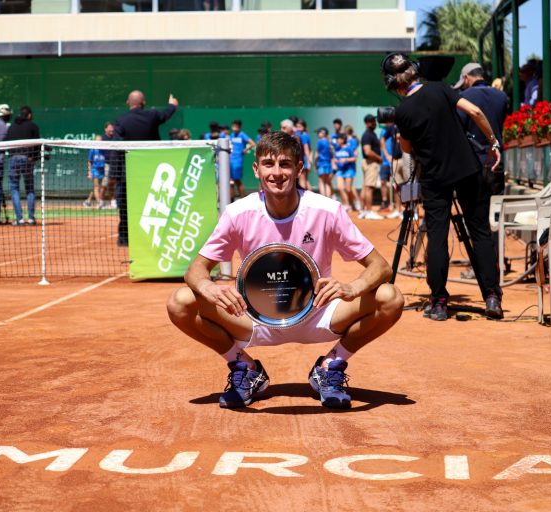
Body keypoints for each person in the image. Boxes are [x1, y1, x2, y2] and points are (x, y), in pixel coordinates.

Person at [166, 131, 404, 409]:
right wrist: (208, 287)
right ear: (256, 169)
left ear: (299, 168)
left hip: (318, 314)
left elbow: (380, 267)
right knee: (180, 302)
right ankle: (244, 367)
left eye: (285, 164)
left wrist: (352, 288)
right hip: (253, 319)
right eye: (268, 163)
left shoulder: (326, 210)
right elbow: (196, 269)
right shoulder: (238, 213)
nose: (276, 172)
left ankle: (331, 366)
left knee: (390, 297)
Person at [383, 52, 504, 321]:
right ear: (414, 71)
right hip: (467, 169)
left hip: (435, 179)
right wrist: (493, 143)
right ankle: (492, 297)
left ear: (392, 83)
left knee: (437, 236)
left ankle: (438, 302)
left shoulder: (402, 112)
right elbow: (473, 111)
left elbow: (405, 148)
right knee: (480, 232)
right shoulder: (440, 88)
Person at [112, 90, 178, 246]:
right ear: (143, 103)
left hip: (128, 173)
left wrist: (116, 172)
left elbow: (116, 147)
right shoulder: (152, 115)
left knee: (125, 206)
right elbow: (165, 115)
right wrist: (172, 105)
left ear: (128, 103)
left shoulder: (120, 121)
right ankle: (150, 237)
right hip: (150, 171)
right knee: (151, 204)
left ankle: (124, 238)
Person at [454, 62, 509, 186]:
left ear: (466, 78)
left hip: (473, 162)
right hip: (497, 158)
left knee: (475, 204)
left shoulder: (463, 97)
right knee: (496, 202)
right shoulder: (502, 96)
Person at [4, 105, 40, 226]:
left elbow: (7, 143)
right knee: (29, 188)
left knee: (14, 189)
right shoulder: (32, 125)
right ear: (29, 115)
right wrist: (34, 157)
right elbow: (37, 145)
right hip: (27, 159)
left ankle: (19, 219)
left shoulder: (11, 127)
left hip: (14, 159)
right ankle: (30, 218)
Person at [359, 114, 383, 220]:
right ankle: (369, 211)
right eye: (371, 121)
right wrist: (379, 158)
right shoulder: (368, 135)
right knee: (369, 188)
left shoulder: (370, 134)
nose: (374, 123)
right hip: (371, 163)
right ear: (366, 123)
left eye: (374, 121)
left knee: (365, 187)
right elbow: (367, 151)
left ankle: (364, 211)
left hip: (368, 162)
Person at [379, 120, 404, 219]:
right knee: (396, 186)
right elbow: (382, 140)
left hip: (407, 158)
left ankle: (412, 210)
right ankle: (398, 210)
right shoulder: (391, 127)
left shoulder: (406, 124)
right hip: (396, 160)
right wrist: (386, 154)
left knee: (410, 186)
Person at [227, 119, 255, 200]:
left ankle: (243, 198)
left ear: (239, 127)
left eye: (237, 126)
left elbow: (252, 143)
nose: (235, 127)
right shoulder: (231, 135)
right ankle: (231, 199)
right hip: (230, 160)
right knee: (231, 181)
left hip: (238, 161)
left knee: (237, 180)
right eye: (234, 126)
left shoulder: (242, 135)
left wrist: (245, 150)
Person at [85, 135, 106, 209]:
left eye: (100, 140)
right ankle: (99, 203)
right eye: (98, 140)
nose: (99, 142)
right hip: (95, 170)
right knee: (97, 187)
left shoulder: (104, 149)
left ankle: (88, 201)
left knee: (97, 187)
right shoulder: (92, 150)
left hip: (102, 170)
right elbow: (89, 161)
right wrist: (89, 172)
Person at [314, 127, 333, 198]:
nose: (317, 134)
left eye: (319, 132)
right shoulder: (329, 142)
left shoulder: (320, 141)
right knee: (327, 182)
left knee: (321, 181)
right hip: (328, 163)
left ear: (323, 133)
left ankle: (323, 198)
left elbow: (317, 154)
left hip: (321, 163)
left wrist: (315, 165)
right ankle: (328, 198)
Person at [295, 118, 312, 190]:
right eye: (297, 126)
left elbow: (306, 149)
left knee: (302, 180)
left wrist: (308, 162)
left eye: (300, 127)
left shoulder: (303, 136)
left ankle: (304, 197)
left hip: (303, 160)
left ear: (304, 127)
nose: (298, 128)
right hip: (304, 160)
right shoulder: (305, 134)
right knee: (305, 180)